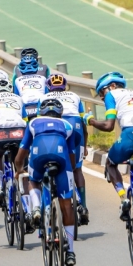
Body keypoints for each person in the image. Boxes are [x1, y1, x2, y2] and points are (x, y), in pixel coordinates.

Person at [87, 71, 133, 260]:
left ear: (110, 87)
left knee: (111, 163)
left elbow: (109, 126)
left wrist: (90, 120)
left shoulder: (112, 95)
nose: (103, 97)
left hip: (129, 137)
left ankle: (124, 199)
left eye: (102, 93)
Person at [15, 97, 77, 266]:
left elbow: (22, 151)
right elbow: (71, 154)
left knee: (34, 181)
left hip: (38, 156)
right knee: (66, 204)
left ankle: (35, 208)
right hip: (61, 158)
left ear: (41, 112)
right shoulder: (68, 125)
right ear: (60, 113)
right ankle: (70, 251)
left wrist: (19, 168)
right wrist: (69, 173)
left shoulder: (33, 123)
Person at [45, 74, 90, 224]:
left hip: (57, 124)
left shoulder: (45, 97)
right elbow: (83, 121)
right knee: (77, 169)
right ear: (65, 86)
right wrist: (85, 145)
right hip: (76, 125)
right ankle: (83, 205)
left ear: (49, 87)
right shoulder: (74, 96)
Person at [0, 77, 27, 208]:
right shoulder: (19, 98)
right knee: (20, 157)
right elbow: (26, 122)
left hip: (0, 131)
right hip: (19, 131)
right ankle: (25, 191)